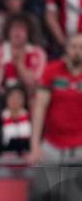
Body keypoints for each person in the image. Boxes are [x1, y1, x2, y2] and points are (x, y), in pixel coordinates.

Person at [29, 33, 82, 164]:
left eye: (81, 47)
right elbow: (39, 108)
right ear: (67, 48)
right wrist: (35, 145)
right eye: (74, 46)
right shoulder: (51, 71)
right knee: (44, 183)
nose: (77, 51)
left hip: (80, 145)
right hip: (52, 145)